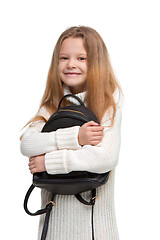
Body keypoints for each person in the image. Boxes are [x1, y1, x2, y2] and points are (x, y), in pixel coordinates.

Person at [20, 26, 122, 240]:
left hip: (96, 231)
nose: (71, 64)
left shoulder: (107, 107)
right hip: (53, 229)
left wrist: (48, 163)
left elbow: (104, 158)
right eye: (64, 57)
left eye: (81, 58)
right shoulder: (49, 108)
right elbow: (27, 145)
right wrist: (76, 137)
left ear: (97, 63)